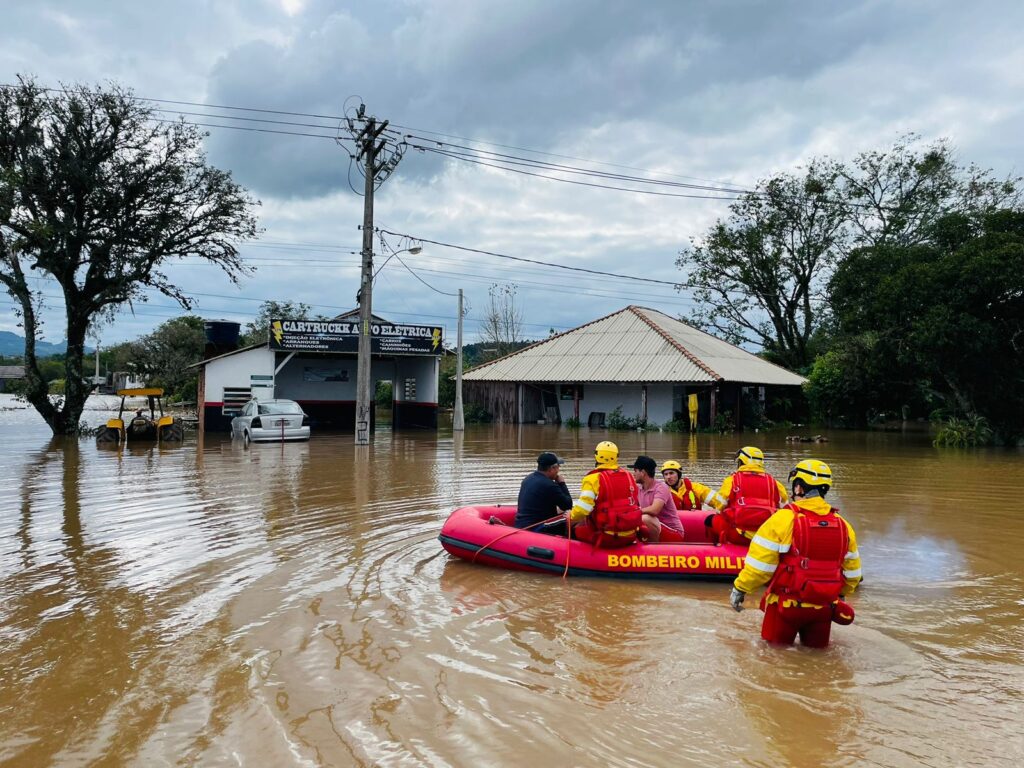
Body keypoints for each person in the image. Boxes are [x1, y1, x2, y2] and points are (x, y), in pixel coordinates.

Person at [729, 459, 862, 648]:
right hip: (823, 609)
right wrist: (840, 594)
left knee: (773, 656)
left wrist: (739, 589)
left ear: (798, 487)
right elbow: (853, 574)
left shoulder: (783, 519)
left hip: (786, 606)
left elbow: (759, 568)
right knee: (817, 657)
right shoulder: (843, 525)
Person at [706, 446, 789, 546]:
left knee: (710, 520)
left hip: (738, 536)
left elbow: (719, 506)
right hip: (765, 538)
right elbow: (785, 511)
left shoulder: (732, 480)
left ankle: (718, 549)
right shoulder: (775, 484)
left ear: (741, 462)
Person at [570, 440, 642, 548]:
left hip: (608, 536)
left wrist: (570, 516)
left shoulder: (592, 478)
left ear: (597, 456)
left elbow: (583, 509)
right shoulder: (629, 476)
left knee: (573, 527)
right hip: (631, 534)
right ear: (616, 456)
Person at [514, 452, 573, 534]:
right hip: (537, 528)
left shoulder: (527, 479)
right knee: (575, 519)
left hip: (522, 524)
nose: (558, 470)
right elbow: (568, 505)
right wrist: (562, 483)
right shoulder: (549, 485)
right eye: (558, 467)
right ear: (552, 468)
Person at [628, 455, 683, 543]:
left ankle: (653, 548)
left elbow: (655, 510)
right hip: (656, 528)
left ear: (643, 472)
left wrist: (635, 512)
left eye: (635, 471)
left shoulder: (661, 487)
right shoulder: (638, 488)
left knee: (645, 518)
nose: (633, 474)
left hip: (674, 533)